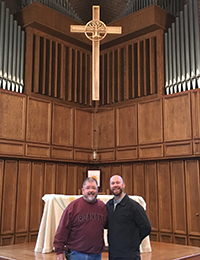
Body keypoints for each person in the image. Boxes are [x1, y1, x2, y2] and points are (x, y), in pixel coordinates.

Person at [53, 177, 107, 260]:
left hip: (96, 254)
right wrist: (59, 251)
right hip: (76, 253)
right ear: (83, 190)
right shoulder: (73, 207)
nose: (91, 191)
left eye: (93, 188)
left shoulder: (102, 207)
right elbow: (63, 228)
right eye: (88, 188)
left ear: (97, 190)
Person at [106, 175, 151, 260]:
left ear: (123, 185)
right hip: (113, 254)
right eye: (113, 183)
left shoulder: (133, 206)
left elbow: (146, 227)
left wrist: (133, 241)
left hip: (129, 255)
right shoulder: (109, 205)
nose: (115, 185)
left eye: (118, 183)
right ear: (110, 186)